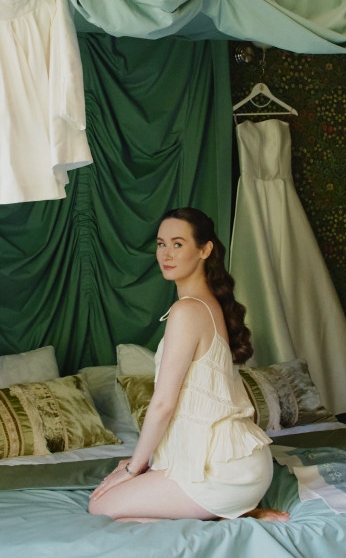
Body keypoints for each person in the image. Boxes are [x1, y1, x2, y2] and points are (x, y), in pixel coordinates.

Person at [89, 206, 289, 523]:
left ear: (204, 250)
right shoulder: (205, 305)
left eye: (178, 244)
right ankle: (233, 511)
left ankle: (229, 514)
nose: (166, 254)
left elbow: (163, 405)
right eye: (161, 244)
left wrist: (132, 469)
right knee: (123, 496)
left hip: (225, 471)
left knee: (101, 506)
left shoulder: (188, 311)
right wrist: (142, 463)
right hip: (236, 464)